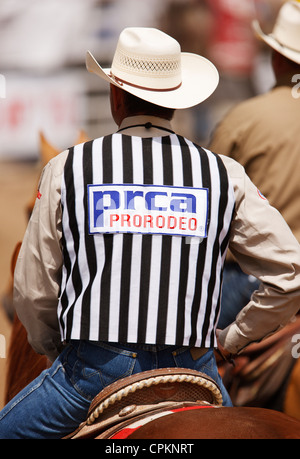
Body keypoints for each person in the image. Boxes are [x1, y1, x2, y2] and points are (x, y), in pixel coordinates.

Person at [1, 26, 300, 439]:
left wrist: (56, 349)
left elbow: (34, 292)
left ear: (115, 96)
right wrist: (232, 338)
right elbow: (291, 274)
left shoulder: (68, 169)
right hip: (194, 367)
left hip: (91, 373)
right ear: (176, 102)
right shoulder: (222, 173)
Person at [209, 1, 300, 329]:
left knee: (183, 344)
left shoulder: (244, 118)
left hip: (256, 279)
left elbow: (209, 197)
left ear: (276, 58)